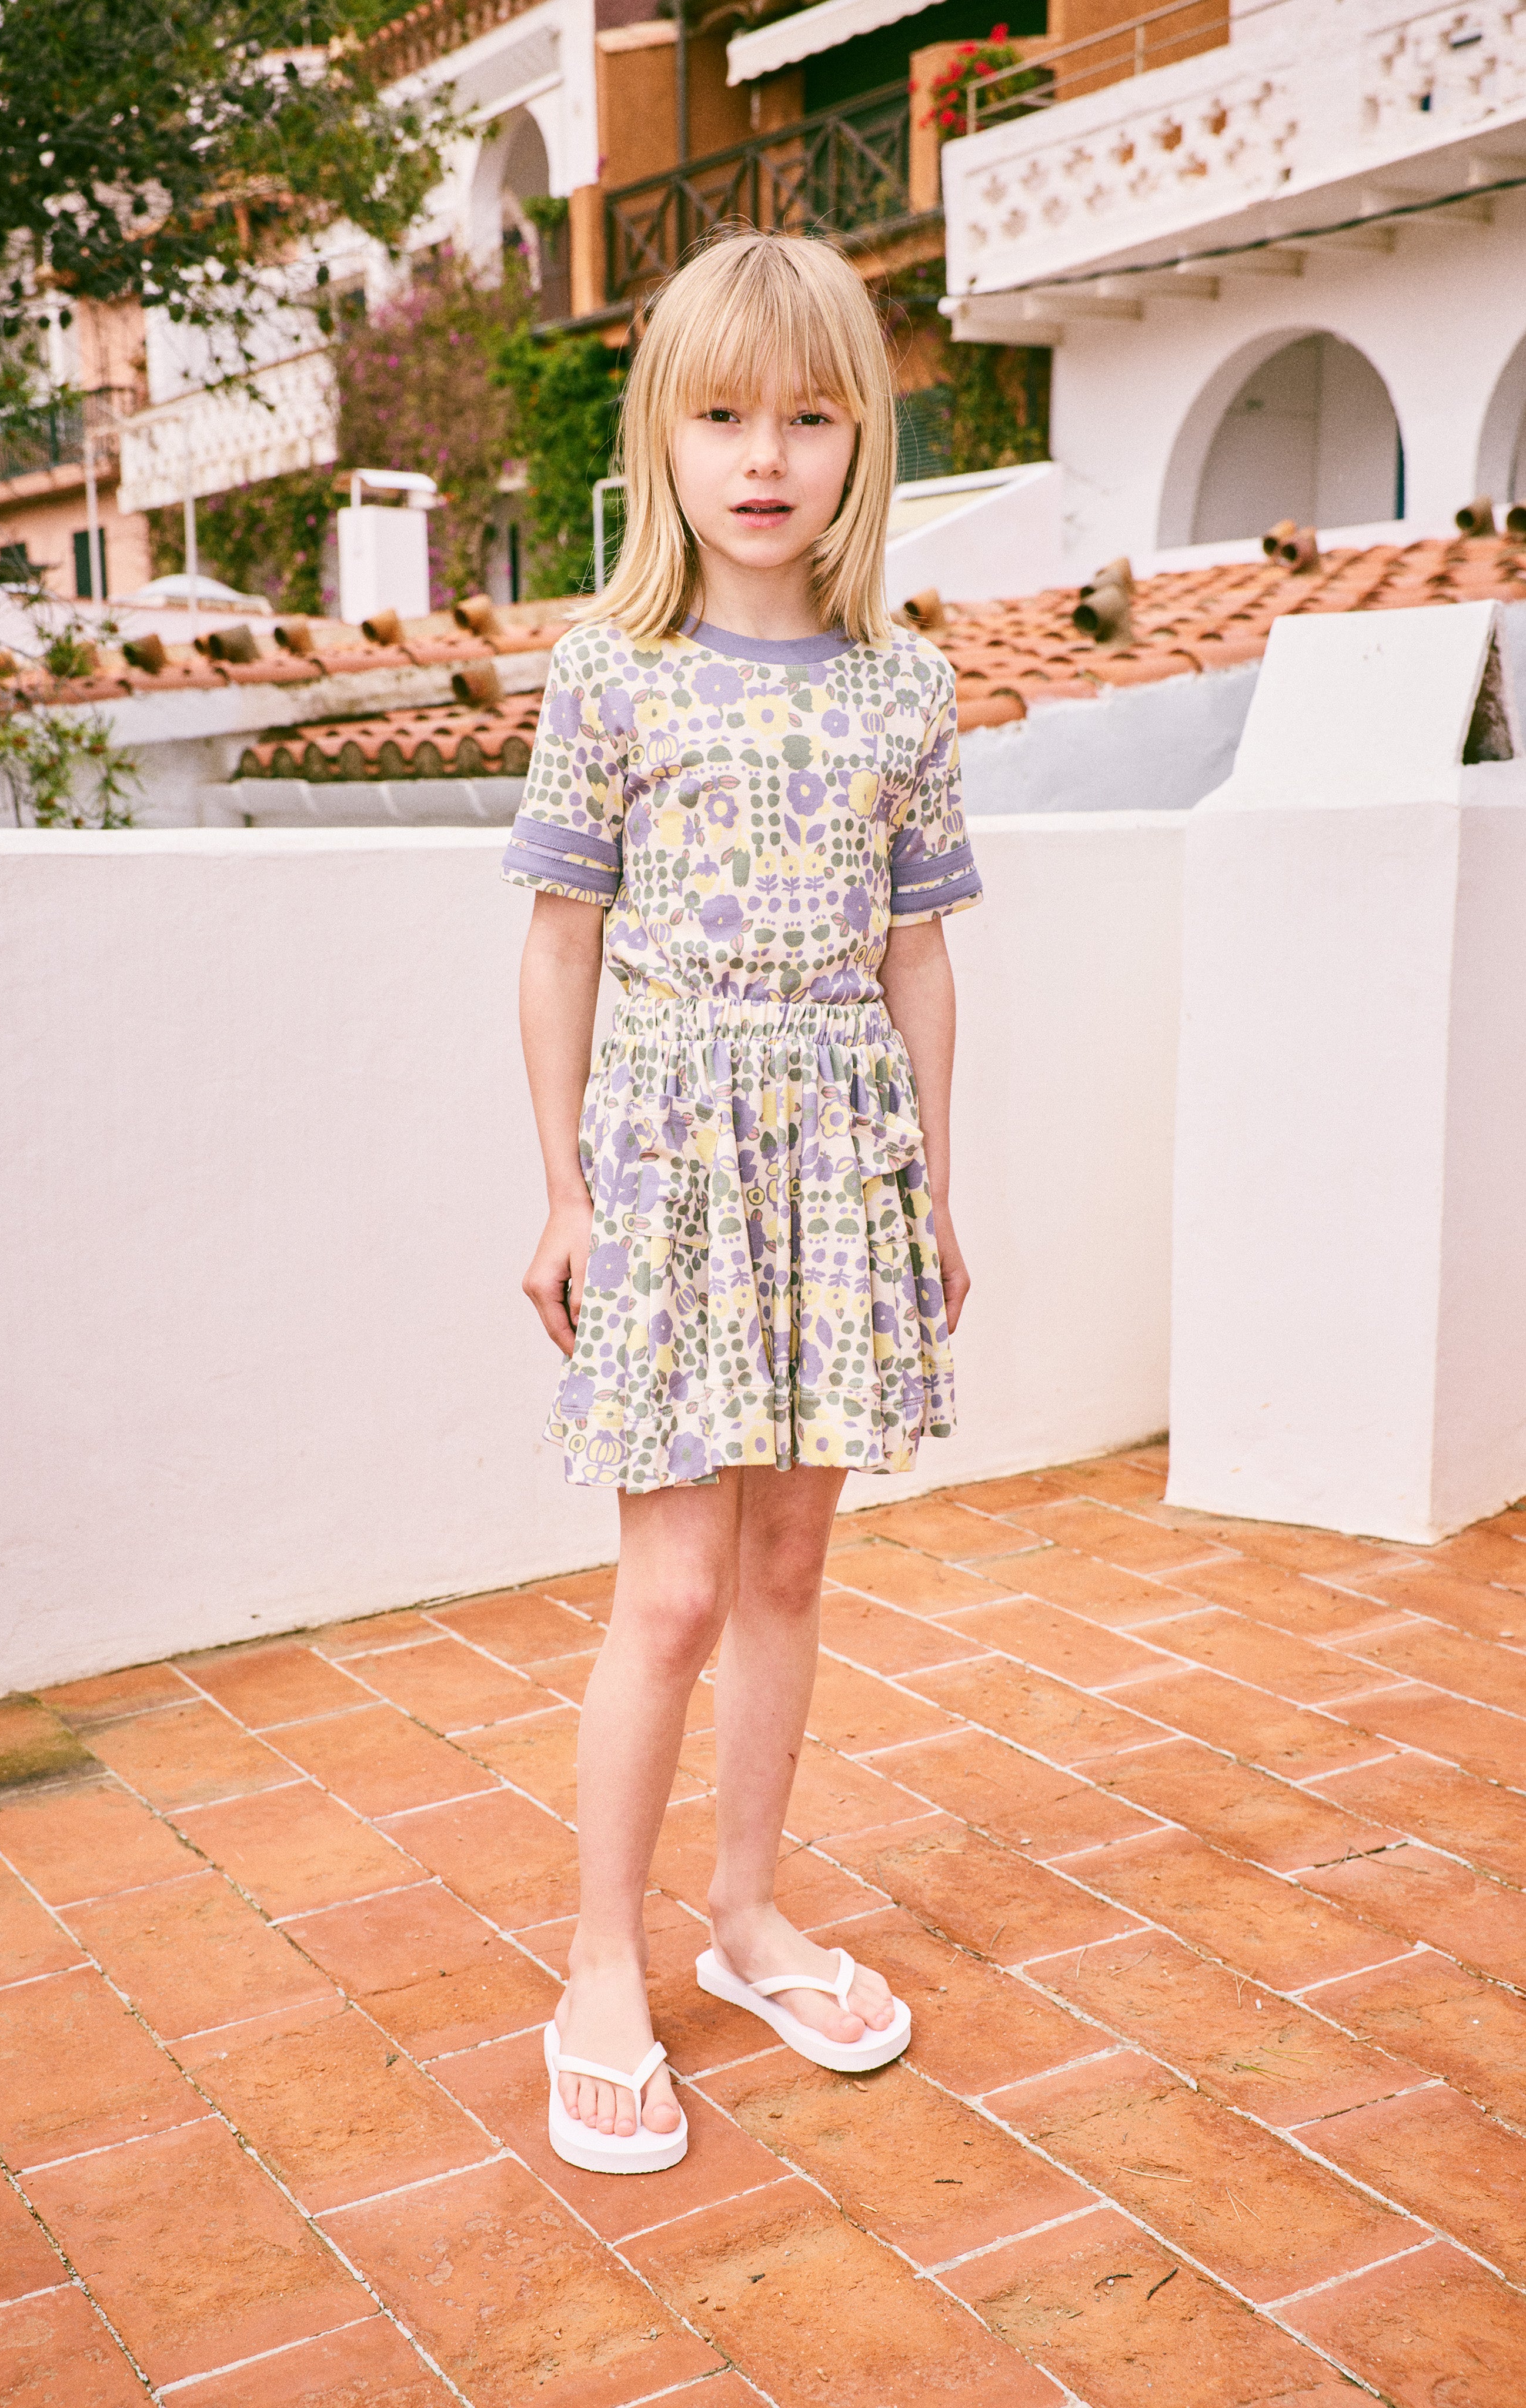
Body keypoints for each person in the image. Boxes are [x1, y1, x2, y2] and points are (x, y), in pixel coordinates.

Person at [500, 230, 981, 2175]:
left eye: (807, 417)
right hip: (672, 1167)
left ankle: (748, 1914)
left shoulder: (906, 687)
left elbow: (919, 957)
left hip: (841, 1162)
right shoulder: (608, 675)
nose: (764, 456)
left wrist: (931, 1194)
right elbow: (559, 945)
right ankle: (596, 1966)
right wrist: (563, 1193)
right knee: (675, 1588)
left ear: (861, 440)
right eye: (720, 416)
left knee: (788, 1571)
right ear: (664, 438)